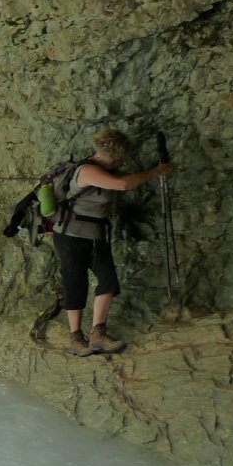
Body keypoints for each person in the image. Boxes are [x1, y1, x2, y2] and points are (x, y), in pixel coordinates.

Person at [53, 128, 174, 356]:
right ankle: (76, 338)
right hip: (70, 235)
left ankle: (98, 334)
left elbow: (120, 180)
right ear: (114, 155)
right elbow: (122, 185)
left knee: (108, 280)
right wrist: (157, 171)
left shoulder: (107, 169)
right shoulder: (87, 170)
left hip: (96, 235)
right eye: (118, 158)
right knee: (75, 283)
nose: (120, 161)